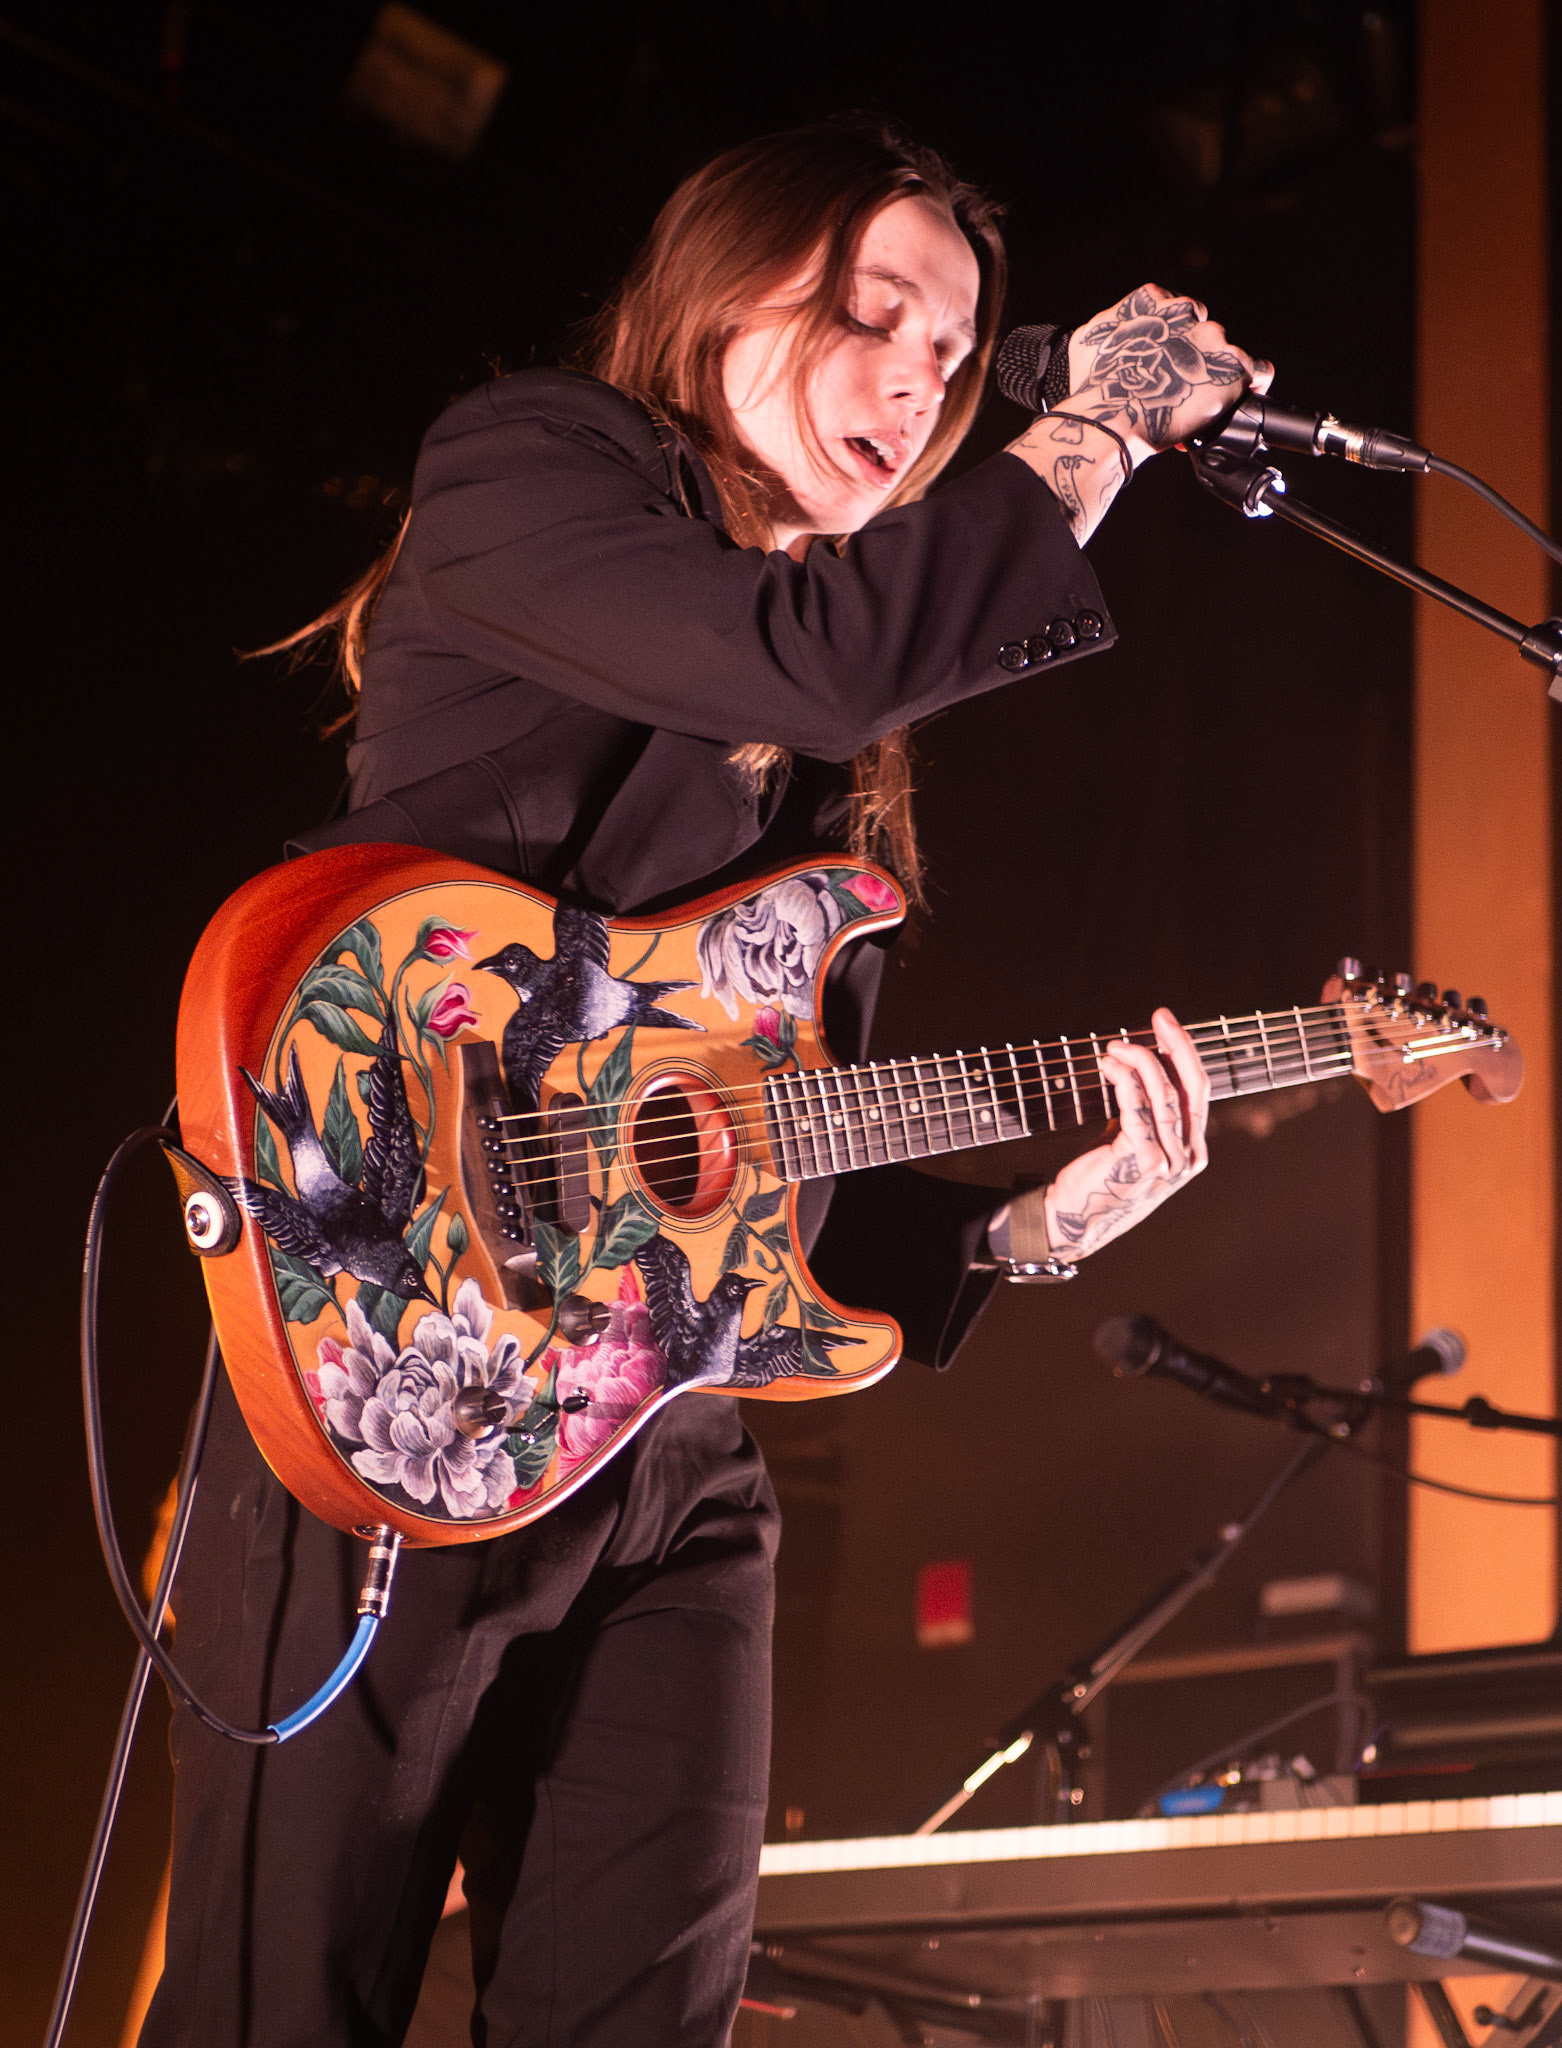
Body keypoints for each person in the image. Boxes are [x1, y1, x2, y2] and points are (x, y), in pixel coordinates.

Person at [138, 116, 1267, 2048]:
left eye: (958, 352)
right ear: (722, 291)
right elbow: (814, 661)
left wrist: (1028, 1226)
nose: (924, 379)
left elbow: (751, 1141)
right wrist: (1089, 431)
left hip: (664, 1449)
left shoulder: (837, 747)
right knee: (283, 2009)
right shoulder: (533, 469)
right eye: (875, 311)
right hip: (393, 1375)